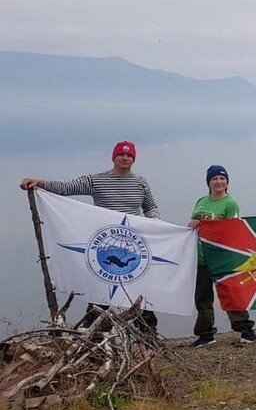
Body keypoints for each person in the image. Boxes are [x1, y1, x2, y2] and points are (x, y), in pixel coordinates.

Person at [20, 140, 162, 330]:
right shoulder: (96, 180)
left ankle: (149, 341)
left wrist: (156, 225)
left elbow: (150, 207)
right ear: (114, 157)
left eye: (129, 155)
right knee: (100, 300)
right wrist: (41, 183)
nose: (125, 158)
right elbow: (66, 187)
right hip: (105, 249)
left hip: (132, 250)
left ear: (134, 159)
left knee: (139, 298)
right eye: (121, 154)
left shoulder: (140, 183)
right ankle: (95, 345)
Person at [188, 165, 256, 347]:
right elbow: (195, 224)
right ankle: (205, 334)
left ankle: (245, 329)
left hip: (223, 257)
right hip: (201, 257)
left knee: (231, 293)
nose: (218, 182)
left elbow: (232, 230)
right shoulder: (201, 201)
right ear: (208, 182)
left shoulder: (230, 203)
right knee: (202, 298)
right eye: (214, 179)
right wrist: (192, 224)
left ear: (227, 182)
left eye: (222, 179)